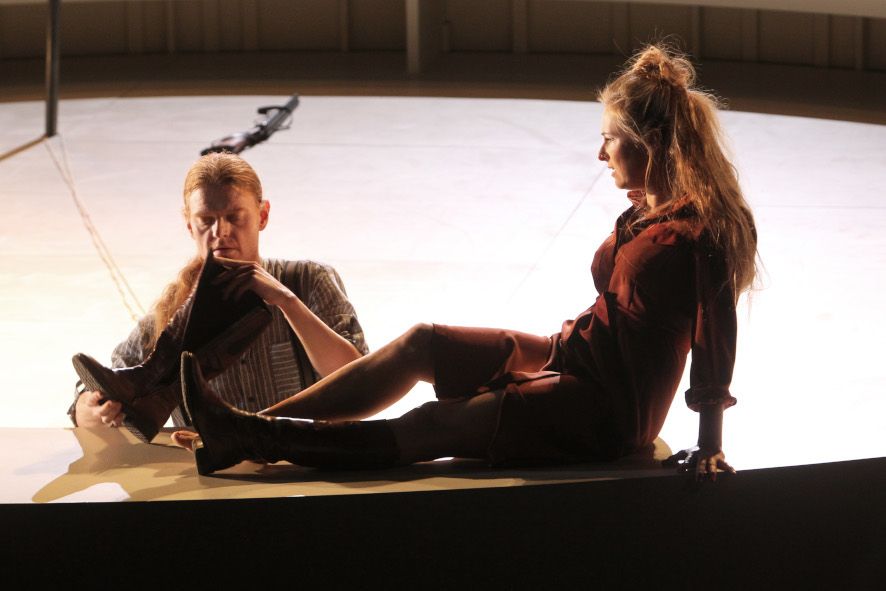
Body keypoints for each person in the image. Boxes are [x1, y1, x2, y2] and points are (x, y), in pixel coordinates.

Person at [176, 44, 757, 481]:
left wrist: (710, 443)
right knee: (424, 341)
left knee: (433, 425)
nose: (599, 152)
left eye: (610, 138)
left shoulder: (695, 233)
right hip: (576, 355)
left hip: (608, 408)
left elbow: (715, 345)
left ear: (647, 143)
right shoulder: (644, 213)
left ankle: (254, 437)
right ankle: (250, 425)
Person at [69, 153, 368, 440]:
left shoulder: (307, 281)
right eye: (206, 220)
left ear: (262, 216)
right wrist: (92, 411)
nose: (220, 231)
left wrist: (287, 302)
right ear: (189, 225)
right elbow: (102, 385)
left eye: (234, 217)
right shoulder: (171, 312)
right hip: (215, 475)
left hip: (304, 465)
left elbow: (360, 384)